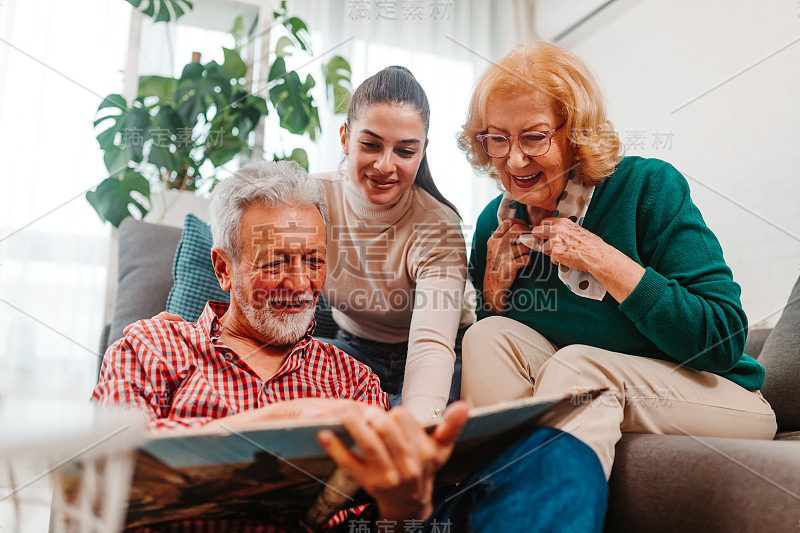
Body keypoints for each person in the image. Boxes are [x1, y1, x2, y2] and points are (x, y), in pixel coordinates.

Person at [95, 160, 609, 532]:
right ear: (224, 269)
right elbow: (100, 474)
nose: (300, 285)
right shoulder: (153, 344)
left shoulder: (351, 378)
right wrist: (287, 420)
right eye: (277, 262)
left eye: (314, 261)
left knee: (557, 457)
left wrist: (402, 504)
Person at [457, 41, 777, 478]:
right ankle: (499, 506)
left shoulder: (648, 186)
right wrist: (492, 295)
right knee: (486, 336)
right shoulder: (492, 227)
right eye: (497, 139)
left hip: (718, 392)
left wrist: (603, 259)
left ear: (575, 135)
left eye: (534, 137)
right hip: (594, 385)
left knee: (577, 366)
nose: (514, 159)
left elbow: (722, 340)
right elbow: (506, 345)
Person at [313, 66, 473, 422]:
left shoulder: (439, 226)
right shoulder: (312, 199)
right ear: (344, 138)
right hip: (352, 348)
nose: (386, 166)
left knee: (436, 420)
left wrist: (411, 429)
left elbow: (431, 345)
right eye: (370, 145)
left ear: (422, 152)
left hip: (443, 351)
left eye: (405, 152)